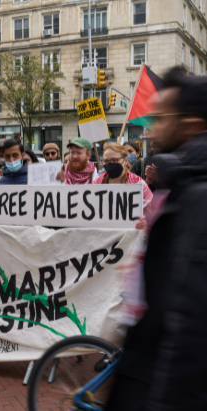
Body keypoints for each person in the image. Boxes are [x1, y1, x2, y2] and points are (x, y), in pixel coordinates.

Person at [105, 68, 207, 411]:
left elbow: (190, 321)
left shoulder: (197, 196)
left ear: (190, 126)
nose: (150, 130)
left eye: (161, 119)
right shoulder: (181, 184)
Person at [92, 142, 153, 208]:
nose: (110, 164)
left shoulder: (138, 183)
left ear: (126, 160)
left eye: (114, 160)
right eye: (106, 161)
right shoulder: (98, 183)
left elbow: (148, 211)